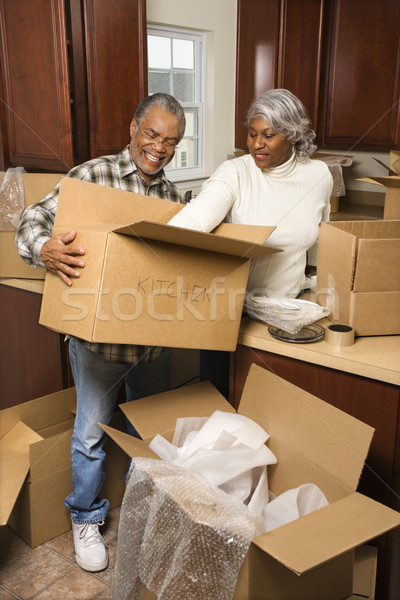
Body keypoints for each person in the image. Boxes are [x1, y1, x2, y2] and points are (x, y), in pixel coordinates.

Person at [15, 93, 186, 573]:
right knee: (90, 434)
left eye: (170, 141)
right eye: (152, 134)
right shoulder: (92, 176)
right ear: (133, 127)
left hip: (154, 343)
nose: (159, 148)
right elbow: (32, 220)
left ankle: (136, 512)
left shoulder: (175, 199)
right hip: (98, 343)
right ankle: (87, 519)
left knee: (146, 434)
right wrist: (43, 248)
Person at [168, 88, 333, 396]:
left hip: (284, 314)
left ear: (293, 134)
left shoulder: (319, 175)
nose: (257, 144)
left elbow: (323, 240)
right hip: (230, 315)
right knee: (217, 406)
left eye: (268, 135)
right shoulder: (235, 172)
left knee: (269, 411)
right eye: (252, 133)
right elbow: (193, 222)